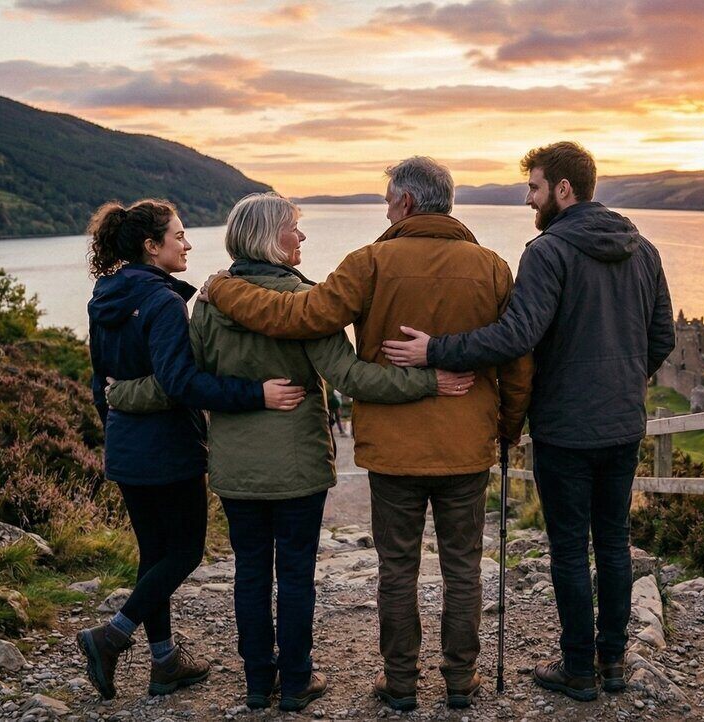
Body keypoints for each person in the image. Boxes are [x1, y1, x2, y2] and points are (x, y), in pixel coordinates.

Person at [106, 192, 477, 711]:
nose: (301, 237)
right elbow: (351, 377)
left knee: (251, 572)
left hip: (236, 467)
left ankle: (259, 683)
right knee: (296, 575)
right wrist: (429, 381)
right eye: (293, 229)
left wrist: (121, 392)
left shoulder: (210, 305)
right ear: (268, 237)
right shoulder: (307, 304)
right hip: (299, 466)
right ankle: (297, 682)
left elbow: (181, 381)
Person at [197, 158, 533, 711]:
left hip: (394, 448)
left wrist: (221, 288)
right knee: (463, 567)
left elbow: (299, 316)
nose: (384, 209)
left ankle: (401, 683)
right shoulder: (492, 267)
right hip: (466, 443)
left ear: (404, 203)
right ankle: (459, 680)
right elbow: (517, 359)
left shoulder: (370, 263)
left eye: (386, 200)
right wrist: (506, 427)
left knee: (397, 567)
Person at [381, 141, 675, 702]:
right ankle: (613, 662)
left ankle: (578, 669)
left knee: (568, 547)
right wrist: (625, 381)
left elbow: (516, 337)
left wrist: (435, 350)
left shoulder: (548, 251)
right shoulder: (645, 251)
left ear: (564, 189)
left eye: (535, 186)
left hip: (565, 425)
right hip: (622, 422)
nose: (528, 198)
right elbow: (659, 336)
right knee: (613, 541)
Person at [79, 199, 307, 701]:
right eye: (179, 236)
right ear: (150, 245)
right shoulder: (162, 302)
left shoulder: (105, 296)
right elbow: (181, 381)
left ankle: (164, 662)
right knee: (183, 552)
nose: (187, 244)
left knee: (153, 555)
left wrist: (115, 426)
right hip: (168, 447)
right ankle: (112, 635)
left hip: (126, 445)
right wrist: (256, 394)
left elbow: (101, 381)